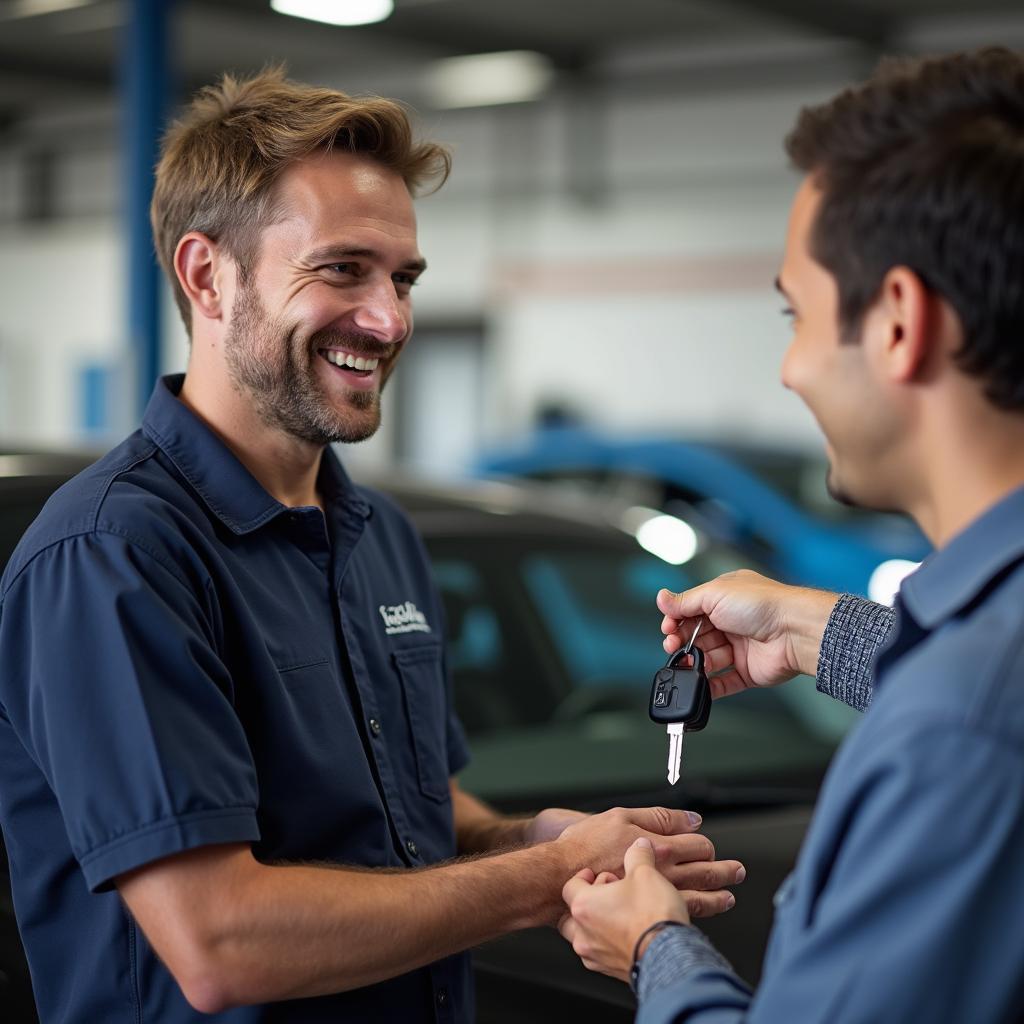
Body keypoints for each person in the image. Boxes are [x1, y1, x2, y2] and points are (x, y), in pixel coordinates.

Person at [0, 70, 743, 1023]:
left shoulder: (376, 533)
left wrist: (535, 835)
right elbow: (220, 941)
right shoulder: (114, 555)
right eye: (342, 269)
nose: (390, 320)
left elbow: (420, 814)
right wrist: (544, 876)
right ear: (205, 274)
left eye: (403, 278)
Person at [558, 46, 1024, 1023]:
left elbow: (974, 720)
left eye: (794, 313)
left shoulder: (962, 717)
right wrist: (819, 632)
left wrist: (653, 947)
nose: (790, 368)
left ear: (898, 321)